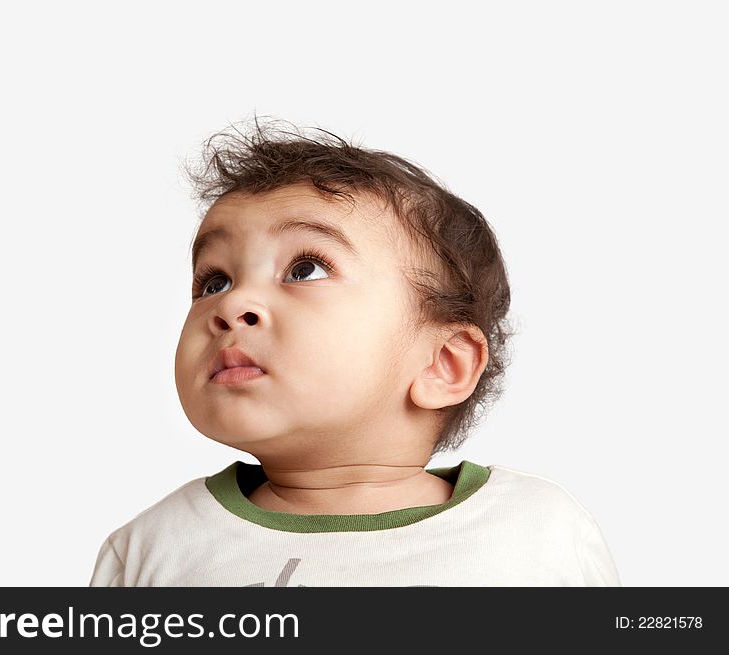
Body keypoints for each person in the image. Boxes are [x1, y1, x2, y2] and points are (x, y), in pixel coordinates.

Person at [89, 117, 620, 586]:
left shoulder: (540, 533)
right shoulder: (153, 552)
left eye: (305, 269)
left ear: (442, 364)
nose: (232, 305)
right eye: (213, 281)